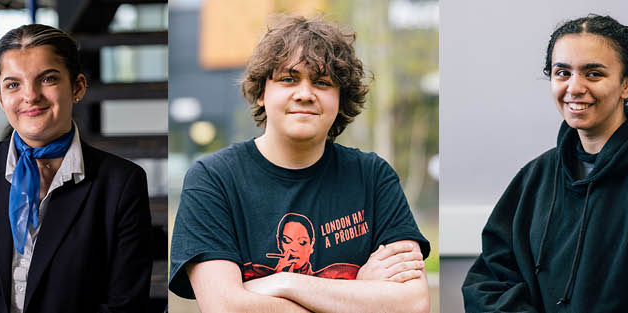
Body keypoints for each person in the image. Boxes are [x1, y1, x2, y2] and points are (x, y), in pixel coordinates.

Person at [168, 15, 431, 312]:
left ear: (340, 98)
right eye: (288, 79)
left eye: (322, 82)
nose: (305, 94)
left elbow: (413, 303)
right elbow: (226, 308)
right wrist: (357, 291)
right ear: (262, 94)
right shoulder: (213, 179)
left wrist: (284, 283)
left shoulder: (373, 176)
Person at [462, 14, 628, 312]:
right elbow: (487, 282)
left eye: (593, 74)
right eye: (563, 73)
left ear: (627, 84)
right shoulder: (535, 178)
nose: (575, 87)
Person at [0, 24, 152, 313]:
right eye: (13, 84)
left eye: (48, 79)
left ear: (77, 87)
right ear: (0, 98)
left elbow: (125, 305)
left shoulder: (121, 183)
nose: (31, 96)